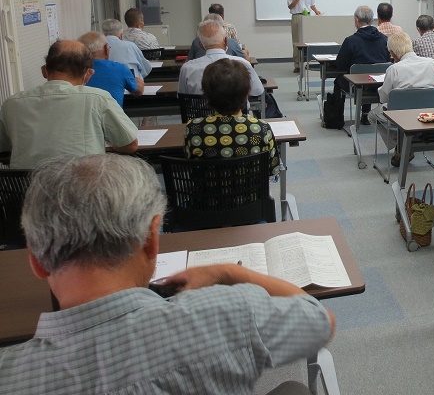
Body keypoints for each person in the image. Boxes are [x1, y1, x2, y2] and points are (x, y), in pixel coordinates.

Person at [0, 153, 334, 395]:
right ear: (151, 239)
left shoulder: (10, 378)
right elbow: (320, 321)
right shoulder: (229, 311)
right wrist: (229, 272)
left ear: (37, 261)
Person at [0, 40, 138, 169]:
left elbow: (3, 148)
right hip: (81, 185)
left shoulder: (11, 104)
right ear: (88, 74)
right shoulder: (98, 98)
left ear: (44, 71)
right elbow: (130, 144)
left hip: (26, 186)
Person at [185, 59, 280, 175]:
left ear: (206, 94)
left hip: (208, 186)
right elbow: (273, 169)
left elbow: (190, 164)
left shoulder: (193, 128)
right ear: (247, 93)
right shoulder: (261, 128)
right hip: (252, 186)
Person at [369, 32, 434, 165]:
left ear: (392, 53)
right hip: (429, 115)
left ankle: (400, 143)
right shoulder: (433, 63)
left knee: (372, 116)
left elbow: (384, 98)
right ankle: (408, 141)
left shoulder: (394, 69)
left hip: (401, 116)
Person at [333, 5, 390, 125]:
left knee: (339, 81)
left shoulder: (351, 41)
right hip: (379, 86)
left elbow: (340, 64)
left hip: (355, 86)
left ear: (356, 19)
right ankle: (365, 115)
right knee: (369, 76)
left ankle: (337, 118)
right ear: (372, 20)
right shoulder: (384, 39)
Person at [179, 19, 264, 97]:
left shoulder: (187, 68)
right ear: (226, 41)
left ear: (201, 45)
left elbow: (182, 96)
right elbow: (257, 91)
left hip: (200, 109)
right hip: (236, 109)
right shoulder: (243, 64)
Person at [78, 31, 144, 106]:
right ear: (106, 49)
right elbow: (138, 91)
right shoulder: (120, 69)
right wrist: (139, 80)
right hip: (112, 113)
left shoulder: (73, 70)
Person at [287, 0, 322, 72]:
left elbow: (312, 4)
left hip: (307, 17)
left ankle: (307, 63)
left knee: (308, 41)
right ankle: (297, 65)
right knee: (296, 41)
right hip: (297, 16)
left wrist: (316, 11)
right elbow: (290, 6)